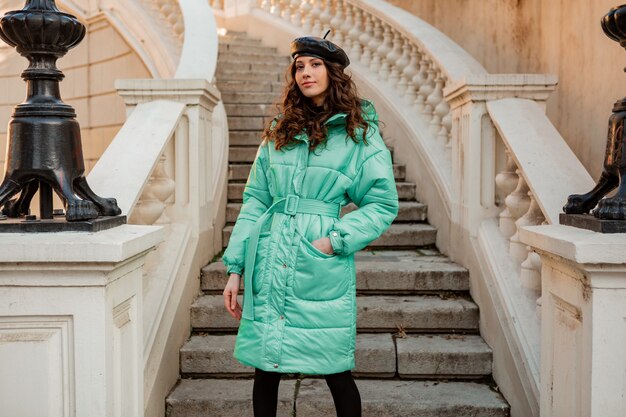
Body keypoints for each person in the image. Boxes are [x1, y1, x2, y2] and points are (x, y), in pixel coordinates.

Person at [222, 35, 398, 417]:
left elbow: (382, 203)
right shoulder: (280, 129)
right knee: (265, 368)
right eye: (299, 66)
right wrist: (236, 267)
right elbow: (256, 200)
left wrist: (335, 241)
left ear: (333, 73)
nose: (305, 73)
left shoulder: (358, 132)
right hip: (270, 254)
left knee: (335, 369)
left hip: (318, 257)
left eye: (315, 65)